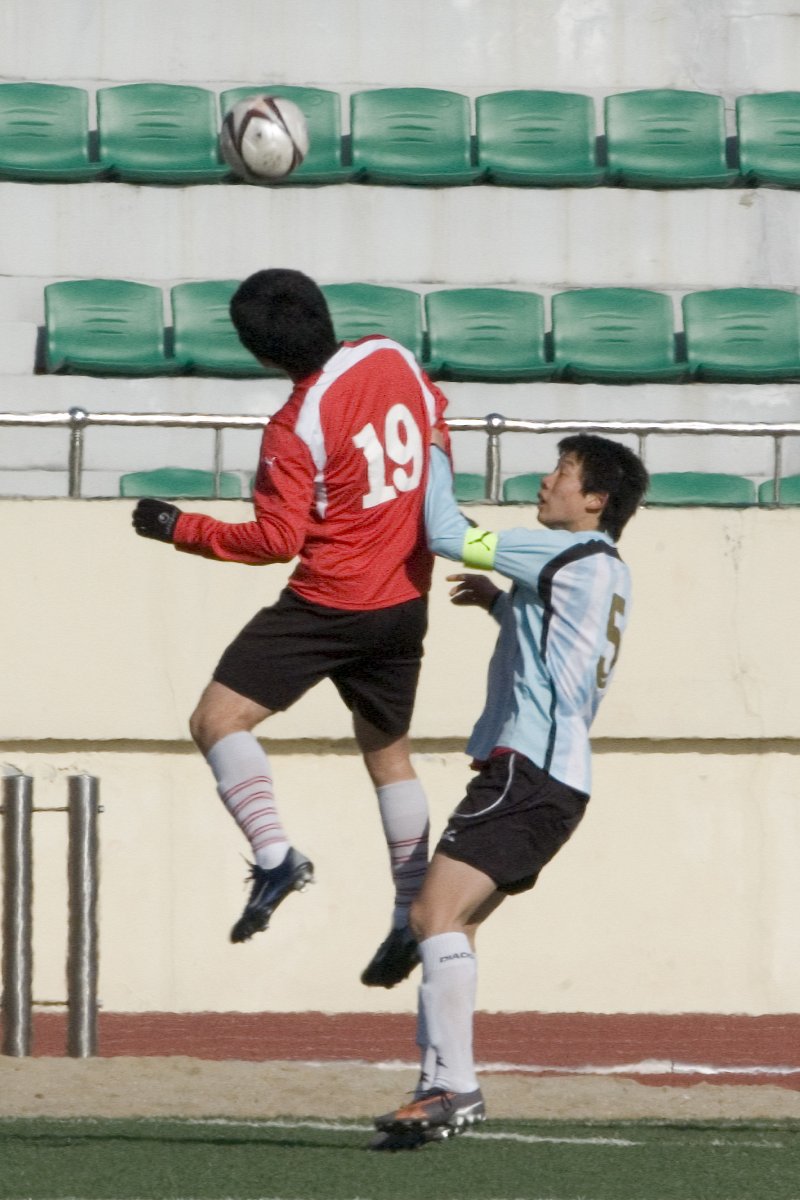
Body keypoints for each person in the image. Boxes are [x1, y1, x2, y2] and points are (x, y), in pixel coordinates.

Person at [131, 268, 451, 987]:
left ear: (259, 353)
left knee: (217, 721)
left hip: (330, 602)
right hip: (404, 594)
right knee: (388, 753)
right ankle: (410, 911)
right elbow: (435, 424)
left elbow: (277, 539)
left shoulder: (294, 425)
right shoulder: (390, 355)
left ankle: (276, 856)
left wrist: (181, 526)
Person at [372, 431, 649, 1149]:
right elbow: (562, 644)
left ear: (595, 500)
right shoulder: (602, 569)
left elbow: (443, 532)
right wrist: (500, 605)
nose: (547, 480)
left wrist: (427, 444)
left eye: (563, 471)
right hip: (554, 778)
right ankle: (437, 1085)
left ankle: (454, 1087)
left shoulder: (561, 552)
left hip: (527, 771)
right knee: (450, 927)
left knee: (431, 917)